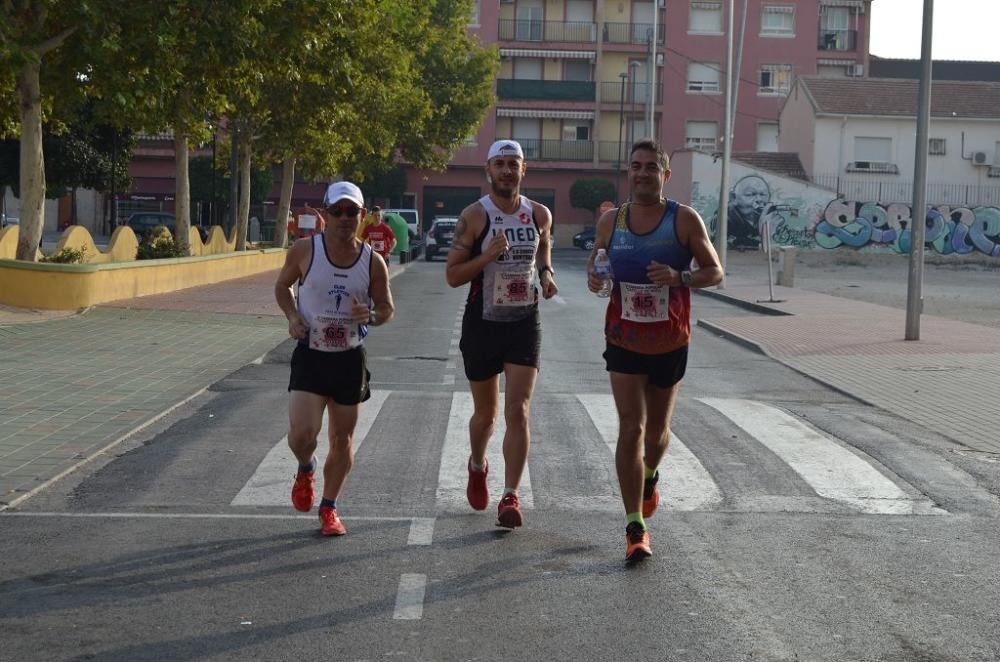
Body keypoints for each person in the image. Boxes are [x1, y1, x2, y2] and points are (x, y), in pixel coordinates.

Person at [587, 139, 723, 562]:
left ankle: (649, 477)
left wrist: (680, 277)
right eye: (636, 166)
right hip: (624, 338)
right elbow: (598, 264)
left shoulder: (683, 219)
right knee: (630, 428)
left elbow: (715, 271)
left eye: (652, 167)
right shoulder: (612, 220)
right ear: (629, 172)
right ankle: (634, 527)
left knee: (657, 435)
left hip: (670, 340)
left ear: (665, 175)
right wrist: (595, 278)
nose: (643, 173)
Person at [446, 139, 559, 529]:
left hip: (524, 322)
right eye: (500, 164)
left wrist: (546, 275)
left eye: (514, 164)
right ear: (488, 171)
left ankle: (511, 495)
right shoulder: (475, 216)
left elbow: (544, 250)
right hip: (482, 322)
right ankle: (477, 465)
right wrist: (487, 256)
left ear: (524, 170)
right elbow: (452, 276)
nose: (508, 170)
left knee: (518, 410)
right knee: (487, 414)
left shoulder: (540, 214)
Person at [274, 181, 394, 536]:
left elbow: (387, 308)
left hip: (348, 360)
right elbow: (282, 287)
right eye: (337, 211)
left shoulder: (372, 262)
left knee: (342, 439)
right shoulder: (304, 250)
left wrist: (370, 316)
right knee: (302, 434)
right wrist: (293, 317)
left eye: (352, 211)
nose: (344, 218)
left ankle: (329, 508)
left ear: (362, 215)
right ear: (325, 214)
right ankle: (305, 467)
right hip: (311, 355)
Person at [714, 175, 784, 250]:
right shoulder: (723, 220)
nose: (759, 199)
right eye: (750, 194)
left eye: (763, 194)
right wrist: (766, 235)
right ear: (733, 197)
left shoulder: (771, 217)